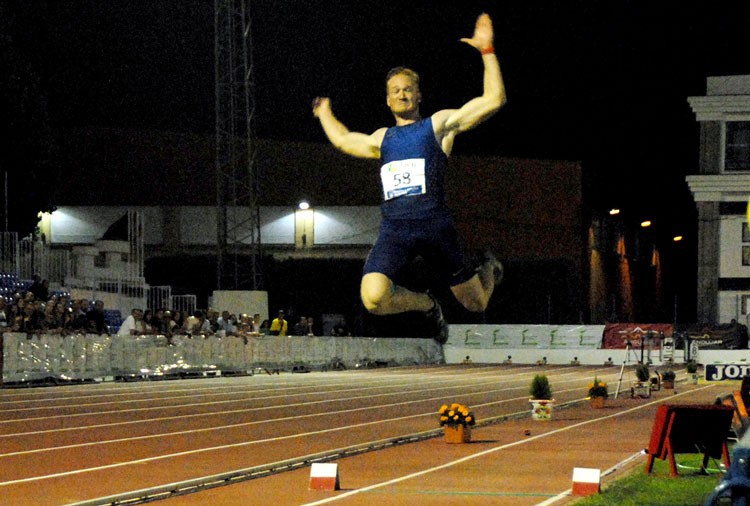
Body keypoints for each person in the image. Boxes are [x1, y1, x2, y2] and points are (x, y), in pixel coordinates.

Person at [313, 13, 506, 342]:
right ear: (387, 99)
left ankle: (488, 268)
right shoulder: (381, 138)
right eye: (395, 91)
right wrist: (324, 114)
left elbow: (493, 100)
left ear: (419, 96)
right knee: (372, 297)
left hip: (437, 228)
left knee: (476, 303)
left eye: (408, 90)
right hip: (395, 231)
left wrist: (487, 51)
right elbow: (345, 140)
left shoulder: (438, 125)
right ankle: (427, 304)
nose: (402, 95)